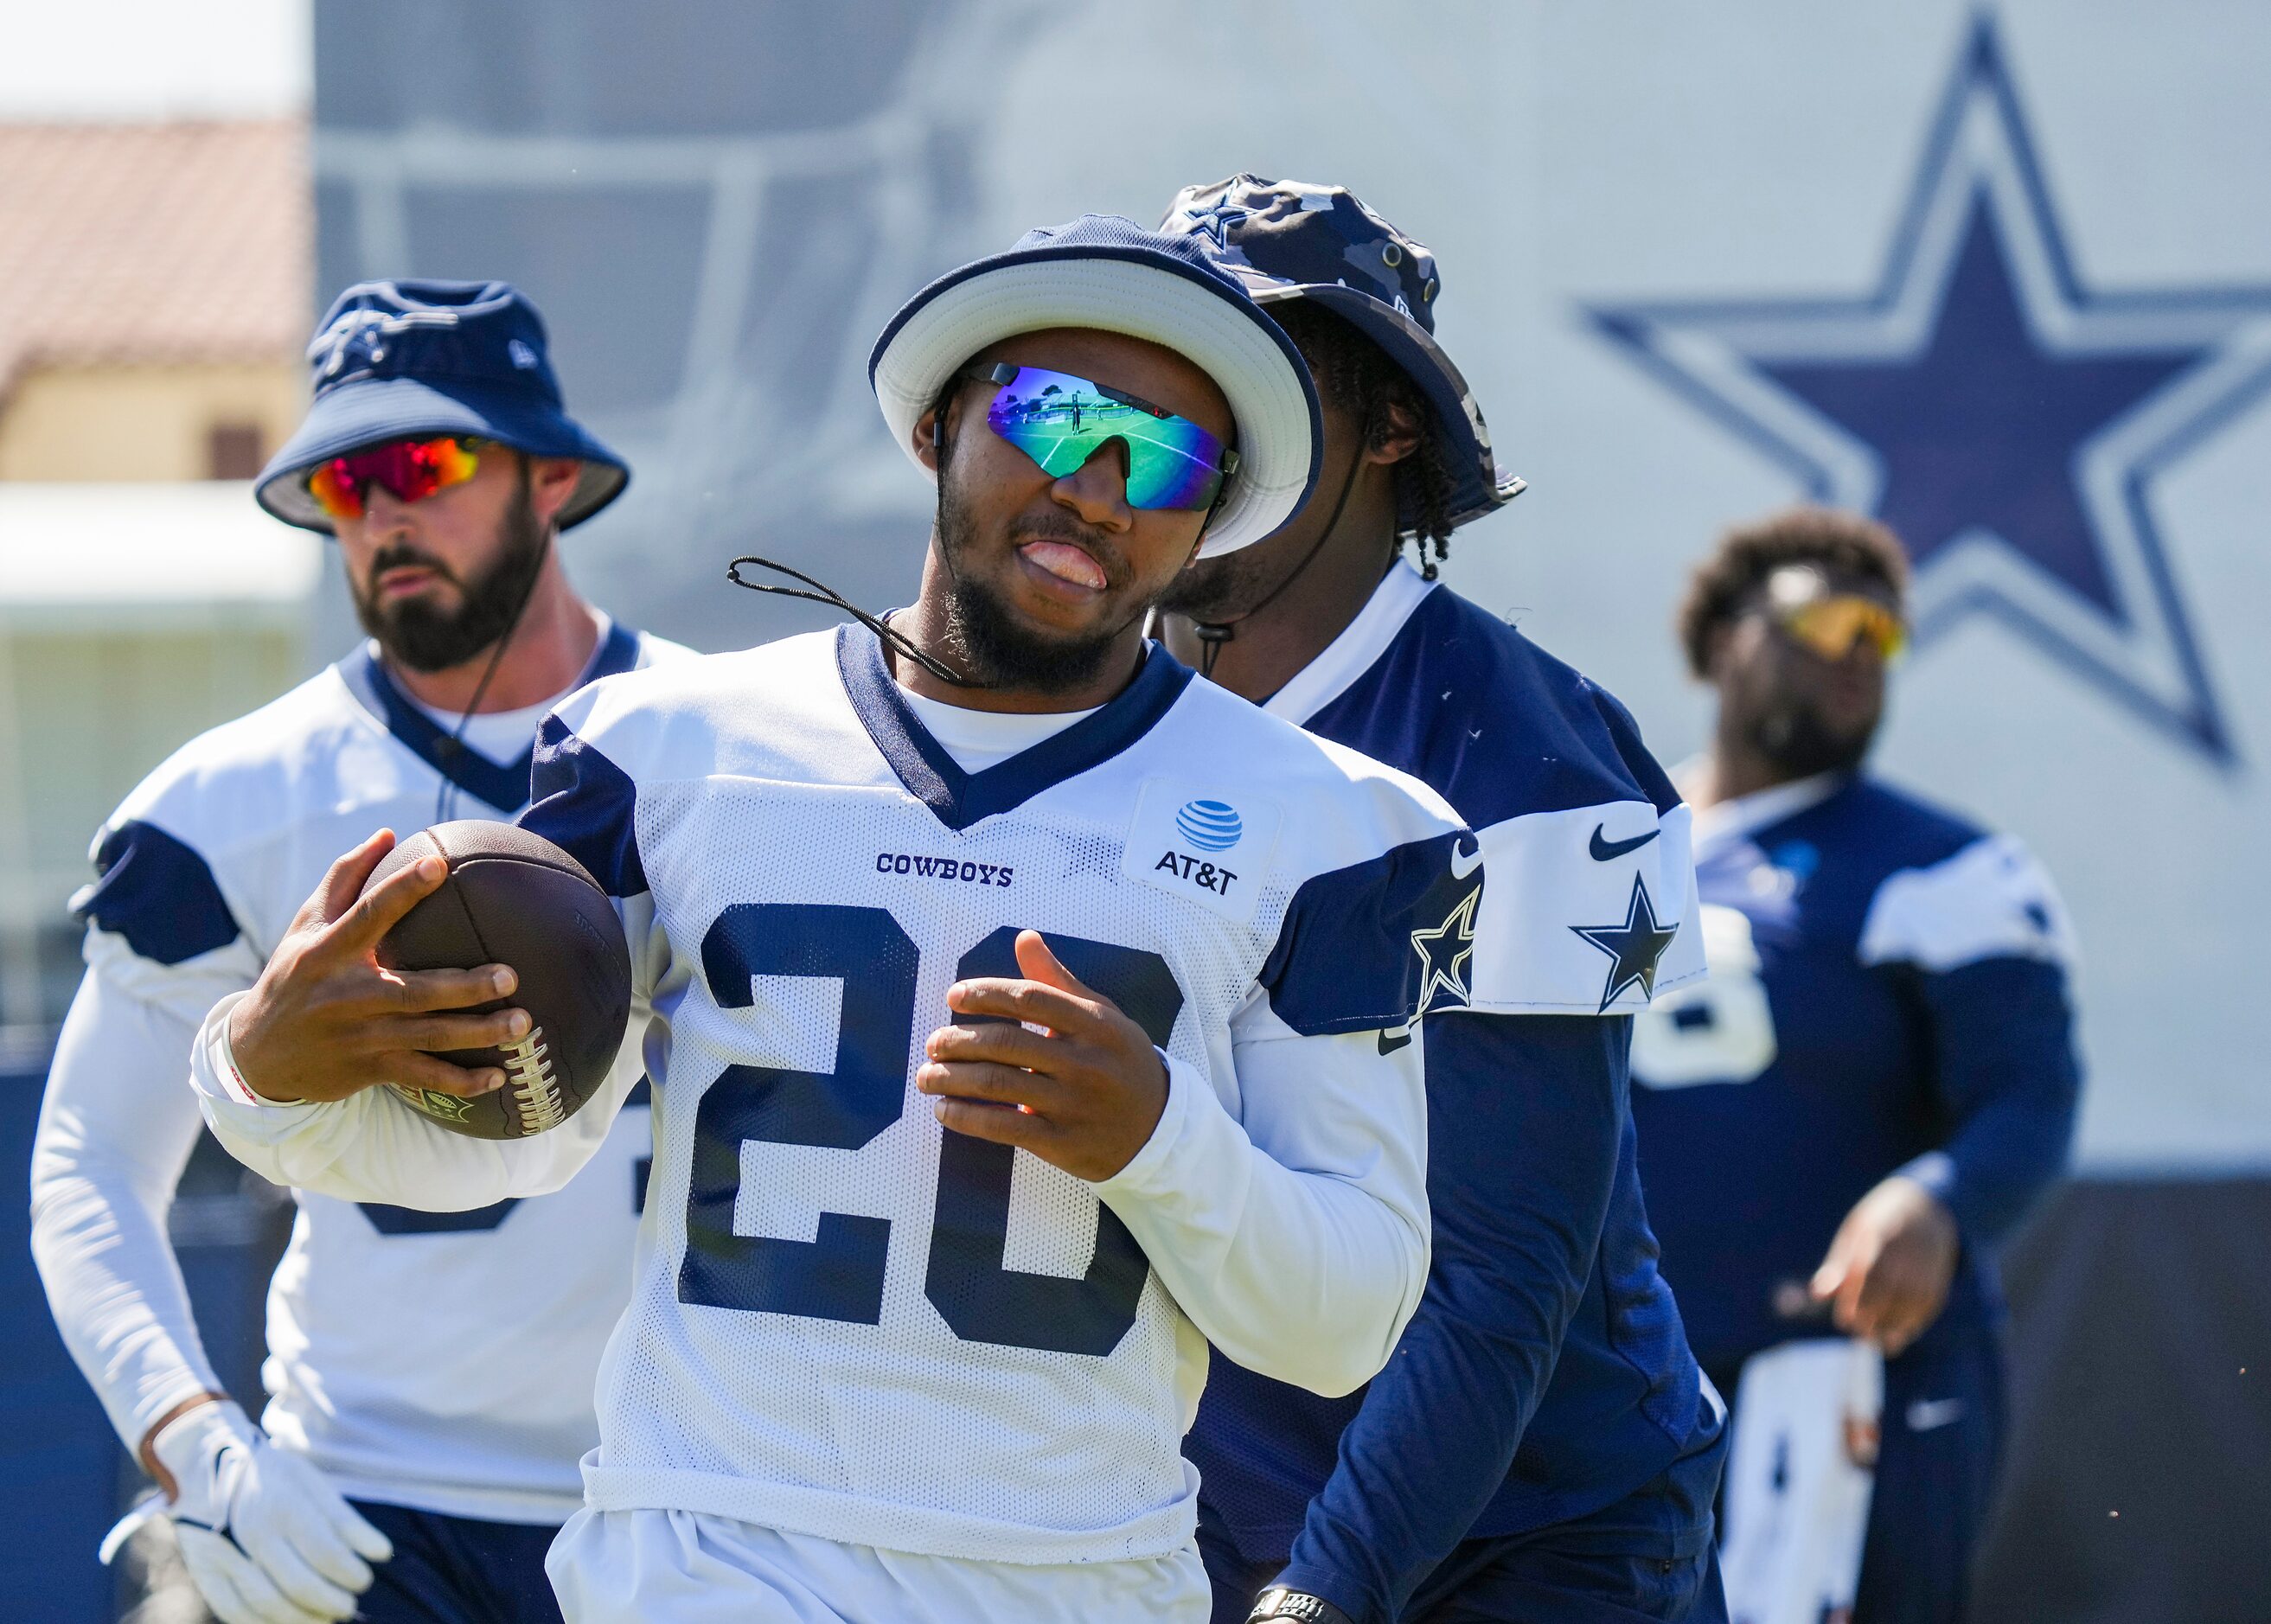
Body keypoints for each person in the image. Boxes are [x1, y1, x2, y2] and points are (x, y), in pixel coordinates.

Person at [187, 216, 1485, 1624]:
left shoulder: (1333, 824)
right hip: (703, 1560)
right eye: (1053, 414)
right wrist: (261, 1069)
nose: (1100, 487)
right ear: (937, 426)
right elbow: (518, 1143)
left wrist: (1158, 1137)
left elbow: (1343, 1323)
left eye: (1167, 456)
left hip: (1075, 1581)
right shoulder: (662, 743)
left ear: (1210, 514)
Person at [31, 279, 684, 1624]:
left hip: (677, 1505)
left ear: (549, 475)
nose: (381, 510)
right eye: (343, 482)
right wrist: (196, 1444)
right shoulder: (227, 804)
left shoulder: (725, 753)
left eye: (423, 462)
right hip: (362, 1517)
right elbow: (89, 1168)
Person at [1151, 176, 1731, 1624]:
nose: (1212, 424)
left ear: (1391, 421)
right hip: (1191, 1522)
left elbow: (1499, 1273)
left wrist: (1321, 1594)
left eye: (1265, 369)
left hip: (1533, 1538)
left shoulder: (1529, 760)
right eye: (1182, 370)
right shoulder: (1083, 708)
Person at [1628, 507, 2081, 1623]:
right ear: (1724, 633)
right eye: (1825, 620)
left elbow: (2027, 1094)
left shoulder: (1947, 868)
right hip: (1632, 1370)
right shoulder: (1612, 841)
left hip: (1847, 1371)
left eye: (1880, 635)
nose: (1854, 653)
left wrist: (1936, 1195)